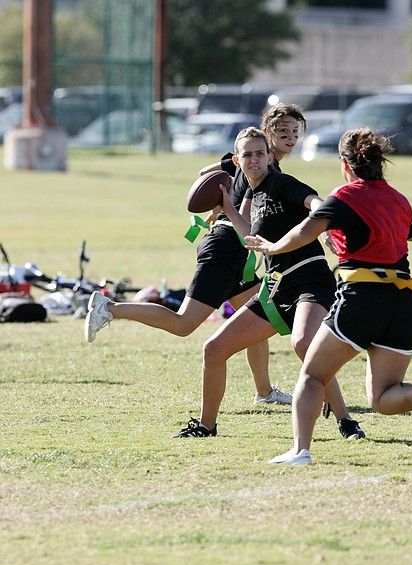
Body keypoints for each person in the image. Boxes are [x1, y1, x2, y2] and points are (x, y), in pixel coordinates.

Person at [245, 127, 412, 464]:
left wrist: (272, 246)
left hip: (362, 298)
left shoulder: (345, 195)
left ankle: (300, 450)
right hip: (403, 302)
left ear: (345, 165)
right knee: (382, 396)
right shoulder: (398, 198)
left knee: (314, 375)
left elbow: (305, 231)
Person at [83, 104, 311, 408]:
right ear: (268, 132)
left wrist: (221, 202)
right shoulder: (256, 160)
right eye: (284, 131)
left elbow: (206, 173)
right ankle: (109, 307)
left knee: (257, 316)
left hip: (234, 252)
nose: (291, 137)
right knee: (184, 324)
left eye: (296, 132)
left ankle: (265, 391)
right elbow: (217, 188)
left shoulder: (259, 162)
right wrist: (223, 207)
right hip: (225, 250)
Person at [173, 127, 364, 440]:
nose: (254, 160)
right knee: (214, 349)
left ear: (270, 156)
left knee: (304, 343)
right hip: (277, 288)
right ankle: (206, 427)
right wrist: (230, 211)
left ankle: (346, 421)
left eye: (260, 153)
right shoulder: (253, 195)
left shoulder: (281, 183)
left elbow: (314, 201)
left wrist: (324, 221)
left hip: (310, 279)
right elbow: (251, 235)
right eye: (247, 155)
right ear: (237, 160)